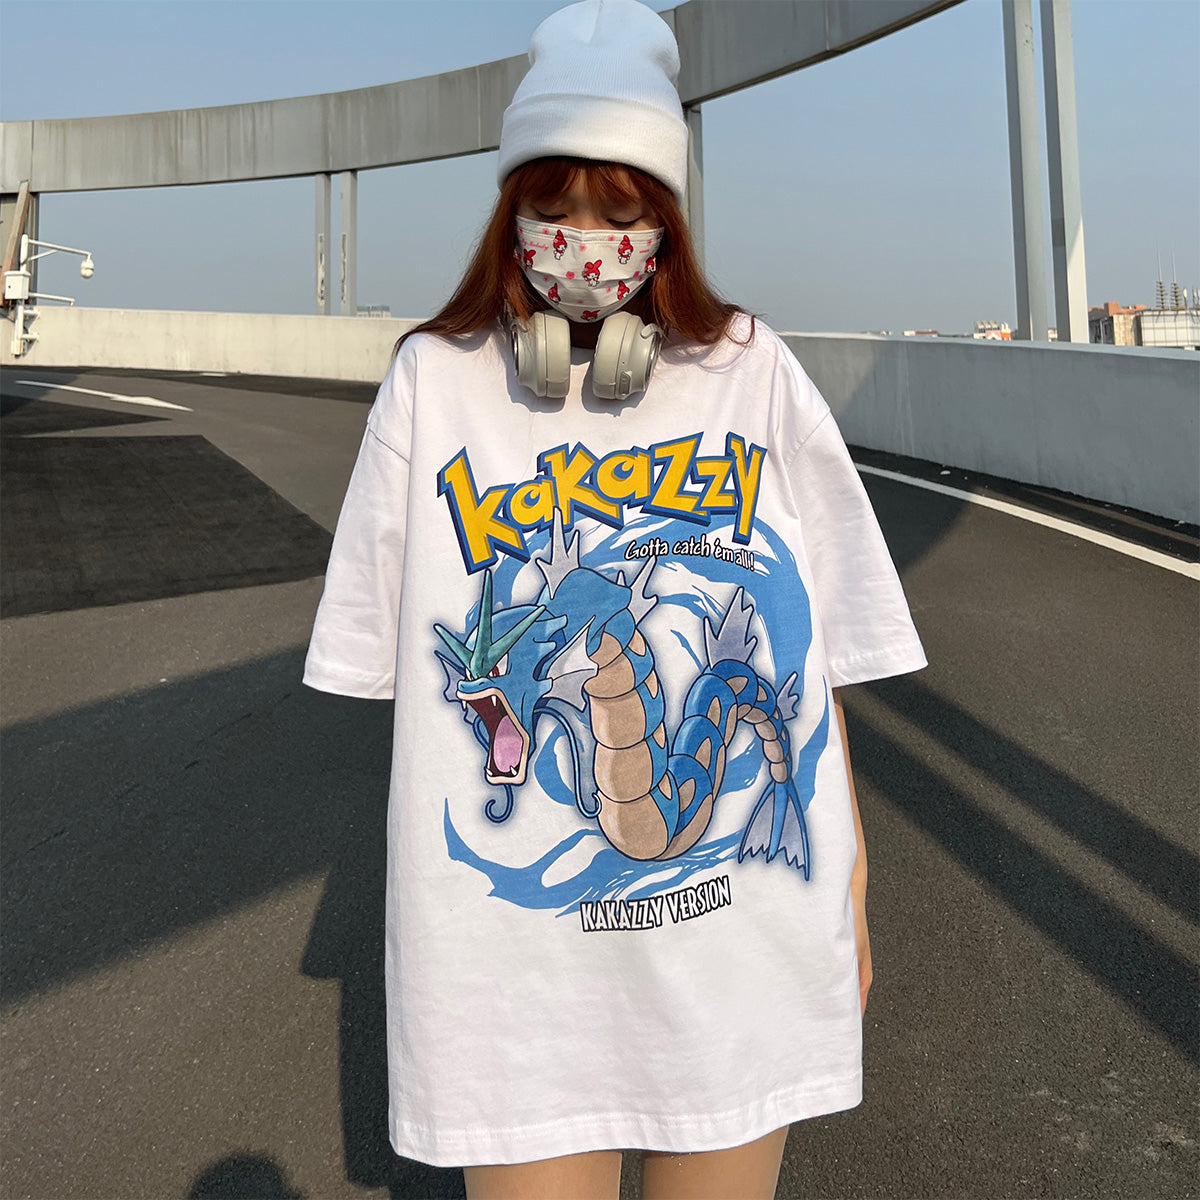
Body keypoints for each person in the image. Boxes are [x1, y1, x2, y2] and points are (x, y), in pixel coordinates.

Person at [302, 1, 926, 1196]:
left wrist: (849, 873)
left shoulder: (749, 370)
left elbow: (818, 659)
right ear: (511, 215)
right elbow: (416, 679)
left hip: (740, 949)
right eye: (559, 209)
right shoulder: (434, 383)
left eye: (621, 215)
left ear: (666, 227)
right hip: (513, 992)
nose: (585, 244)